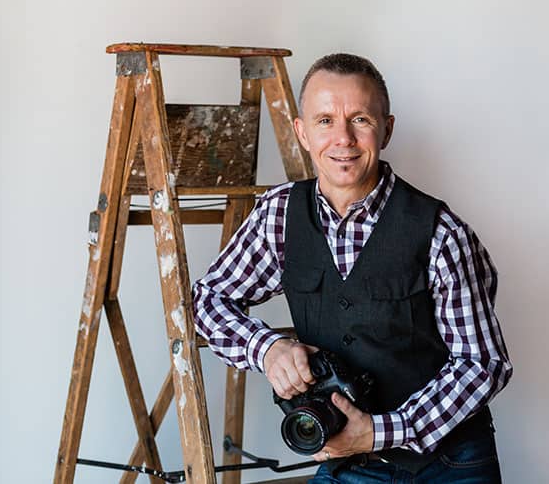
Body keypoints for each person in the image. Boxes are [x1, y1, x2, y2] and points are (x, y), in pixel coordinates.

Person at [193, 53, 512, 483]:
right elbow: (208, 300)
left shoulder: (441, 232)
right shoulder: (278, 216)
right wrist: (267, 348)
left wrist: (382, 431)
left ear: (387, 129)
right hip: (348, 464)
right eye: (325, 121)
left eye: (360, 119)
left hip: (450, 464)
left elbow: (483, 362)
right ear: (302, 132)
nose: (342, 138)